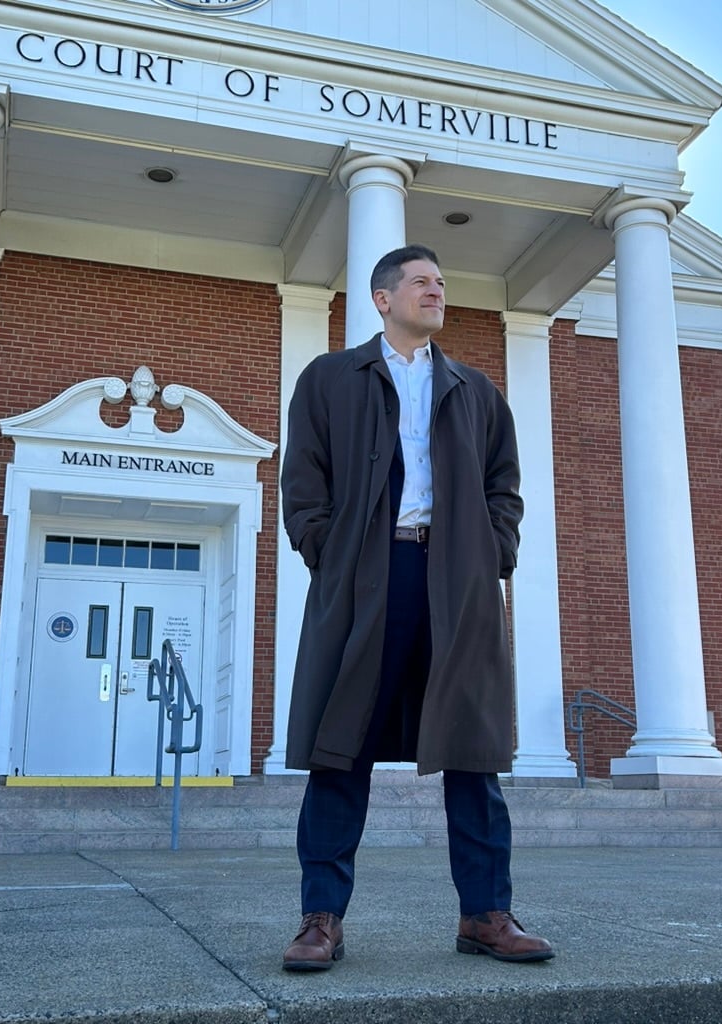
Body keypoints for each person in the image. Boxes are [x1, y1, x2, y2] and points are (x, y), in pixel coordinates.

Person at [279, 243, 554, 971]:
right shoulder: (330, 378)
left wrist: (494, 552)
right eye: (423, 283)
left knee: (473, 752)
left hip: (456, 577)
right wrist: (326, 550)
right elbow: (302, 478)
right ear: (382, 298)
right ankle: (320, 918)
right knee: (342, 747)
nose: (438, 291)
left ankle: (486, 914)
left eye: (442, 281)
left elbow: (505, 485)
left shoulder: (475, 389)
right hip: (367, 574)